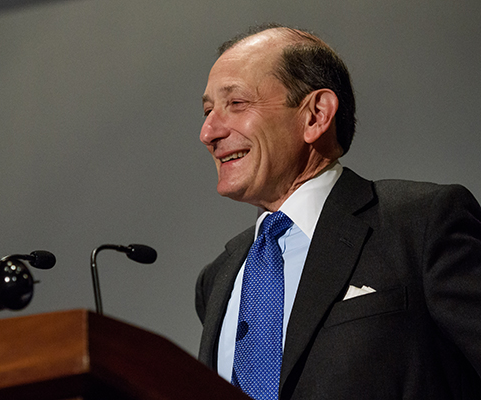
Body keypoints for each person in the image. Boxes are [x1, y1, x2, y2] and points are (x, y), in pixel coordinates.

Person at [195, 23, 481, 400]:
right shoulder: (217, 279)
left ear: (316, 115)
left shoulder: (421, 225)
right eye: (208, 110)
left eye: (236, 103)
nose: (209, 132)